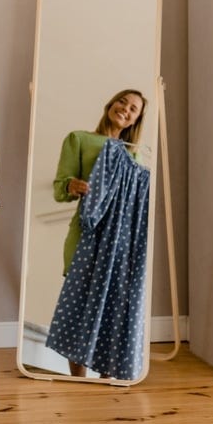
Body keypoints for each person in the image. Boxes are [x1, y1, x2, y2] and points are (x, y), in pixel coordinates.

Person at [51, 89, 147, 377]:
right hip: (85, 233)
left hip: (119, 241)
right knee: (77, 307)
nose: (125, 109)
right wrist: (72, 186)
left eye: (133, 109)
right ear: (111, 103)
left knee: (112, 308)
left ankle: (107, 378)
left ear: (135, 120)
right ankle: (78, 381)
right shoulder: (79, 139)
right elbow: (59, 188)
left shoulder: (134, 154)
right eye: (123, 102)